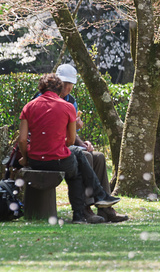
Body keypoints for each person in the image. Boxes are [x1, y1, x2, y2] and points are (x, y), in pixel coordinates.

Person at [18, 73, 105, 224]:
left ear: (41, 88)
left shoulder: (28, 106)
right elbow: (71, 140)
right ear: (60, 89)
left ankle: (99, 197)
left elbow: (23, 139)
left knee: (76, 157)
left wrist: (25, 158)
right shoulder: (67, 107)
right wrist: (56, 147)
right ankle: (79, 214)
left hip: (35, 160)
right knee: (75, 173)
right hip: (58, 159)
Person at [53, 63, 128, 223]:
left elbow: (73, 134)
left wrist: (83, 142)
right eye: (64, 83)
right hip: (57, 148)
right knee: (85, 156)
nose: (66, 87)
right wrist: (73, 128)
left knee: (99, 156)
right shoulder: (48, 99)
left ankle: (105, 208)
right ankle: (86, 209)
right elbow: (56, 130)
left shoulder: (71, 101)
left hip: (69, 144)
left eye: (70, 84)